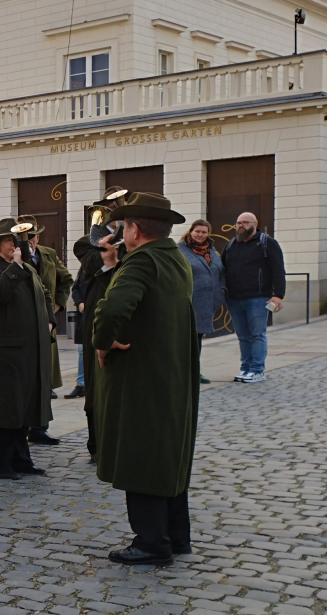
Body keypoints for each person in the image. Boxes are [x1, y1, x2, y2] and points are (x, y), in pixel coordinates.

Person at [91, 193, 198, 565]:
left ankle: (152, 542)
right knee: (166, 452)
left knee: (141, 453)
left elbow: (112, 309)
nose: (121, 232)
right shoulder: (175, 259)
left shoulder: (142, 262)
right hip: (170, 371)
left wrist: (103, 342)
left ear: (135, 228)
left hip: (142, 374)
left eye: (123, 226)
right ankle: (176, 535)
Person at [0, 219, 52, 480]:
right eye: (10, 240)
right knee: (2, 409)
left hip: (26, 350)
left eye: (19, 240)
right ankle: (1, 463)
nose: (16, 245)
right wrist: (16, 267)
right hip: (1, 353)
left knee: (23, 407)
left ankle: (21, 459)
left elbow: (43, 295)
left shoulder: (27, 269)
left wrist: (49, 318)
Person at [72, 188, 127, 461]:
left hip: (126, 321)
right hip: (98, 318)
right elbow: (95, 261)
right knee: (96, 385)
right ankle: (96, 446)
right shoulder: (87, 242)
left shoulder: (131, 240)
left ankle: (122, 442)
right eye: (112, 208)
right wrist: (111, 245)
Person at [19, 217, 72, 445]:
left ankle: (40, 427)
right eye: (25, 237)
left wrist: (56, 308)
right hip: (23, 326)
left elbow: (66, 280)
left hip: (45, 325)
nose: (29, 241)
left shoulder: (48, 254)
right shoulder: (15, 255)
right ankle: (23, 426)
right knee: (26, 377)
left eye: (32, 237)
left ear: (37, 237)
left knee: (44, 378)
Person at [222, 211, 285, 383]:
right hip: (234, 298)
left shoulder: (267, 243)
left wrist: (278, 295)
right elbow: (223, 269)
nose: (241, 225)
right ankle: (246, 368)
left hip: (258, 298)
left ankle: (257, 370)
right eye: (238, 222)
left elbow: (278, 269)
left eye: (245, 222)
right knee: (243, 336)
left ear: (255, 225)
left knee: (257, 334)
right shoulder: (231, 245)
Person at [179, 219, 226, 384]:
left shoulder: (212, 252)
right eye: (197, 231)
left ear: (208, 234)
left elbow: (221, 273)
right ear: (191, 232)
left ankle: (194, 372)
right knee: (184, 340)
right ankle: (182, 373)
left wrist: (222, 291)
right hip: (187, 302)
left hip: (207, 304)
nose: (200, 235)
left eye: (204, 232)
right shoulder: (180, 250)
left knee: (197, 339)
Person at [64, 271, 87, 399]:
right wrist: (79, 302)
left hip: (99, 313)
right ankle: (81, 385)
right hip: (84, 315)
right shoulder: (85, 266)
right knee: (82, 350)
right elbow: (75, 287)